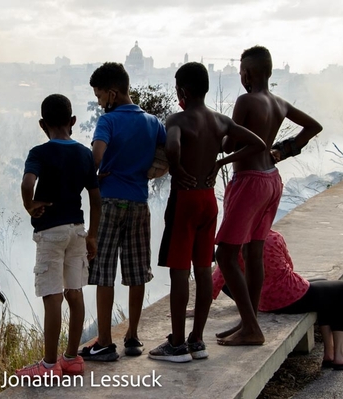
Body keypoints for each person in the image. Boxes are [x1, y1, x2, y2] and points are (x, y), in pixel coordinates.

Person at [148, 62, 266, 363]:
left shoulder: (178, 118)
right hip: (207, 201)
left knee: (179, 273)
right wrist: (220, 163)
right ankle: (197, 341)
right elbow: (258, 143)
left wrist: (176, 169)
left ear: (183, 91)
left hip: (185, 200)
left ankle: (176, 344)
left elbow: (172, 146)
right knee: (202, 271)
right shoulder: (220, 121)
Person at [215, 45, 323, 346]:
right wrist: (282, 151)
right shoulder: (278, 102)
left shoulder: (246, 100)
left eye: (240, 72)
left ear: (247, 73)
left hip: (249, 181)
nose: (240, 76)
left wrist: (212, 133)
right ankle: (248, 322)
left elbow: (229, 144)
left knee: (225, 254)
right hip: (272, 180)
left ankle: (251, 327)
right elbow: (314, 127)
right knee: (252, 252)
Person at [81, 62, 166, 361]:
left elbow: (96, 157)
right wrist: (150, 172)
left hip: (109, 203)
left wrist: (92, 175)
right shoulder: (153, 122)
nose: (100, 102)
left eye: (100, 96)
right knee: (136, 272)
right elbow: (167, 154)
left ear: (113, 93)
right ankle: (132, 337)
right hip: (139, 203)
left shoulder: (108, 122)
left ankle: (104, 341)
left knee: (104, 272)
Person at [16, 94, 101, 378]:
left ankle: (49, 365)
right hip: (77, 230)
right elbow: (95, 197)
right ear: (73, 122)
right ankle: (72, 358)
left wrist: (30, 205)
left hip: (50, 232)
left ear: (43, 124)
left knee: (52, 297)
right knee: (74, 293)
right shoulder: (84, 154)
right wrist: (92, 236)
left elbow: (28, 183)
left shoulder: (39, 153)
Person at [213, 229, 343, 370]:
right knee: (341, 290)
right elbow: (289, 267)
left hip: (262, 301)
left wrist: (196, 310)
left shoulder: (235, 245)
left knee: (324, 283)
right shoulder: (273, 237)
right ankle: (340, 355)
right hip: (289, 297)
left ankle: (329, 353)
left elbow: (218, 280)